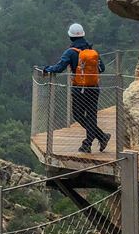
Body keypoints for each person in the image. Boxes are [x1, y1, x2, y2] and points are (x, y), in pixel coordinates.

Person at [41, 23, 111, 153]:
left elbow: (59, 68)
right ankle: (97, 139)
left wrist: (47, 69)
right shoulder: (91, 51)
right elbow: (102, 68)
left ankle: (92, 142)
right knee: (91, 115)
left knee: (78, 115)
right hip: (93, 88)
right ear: (83, 35)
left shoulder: (70, 52)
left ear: (70, 37)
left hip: (79, 89)